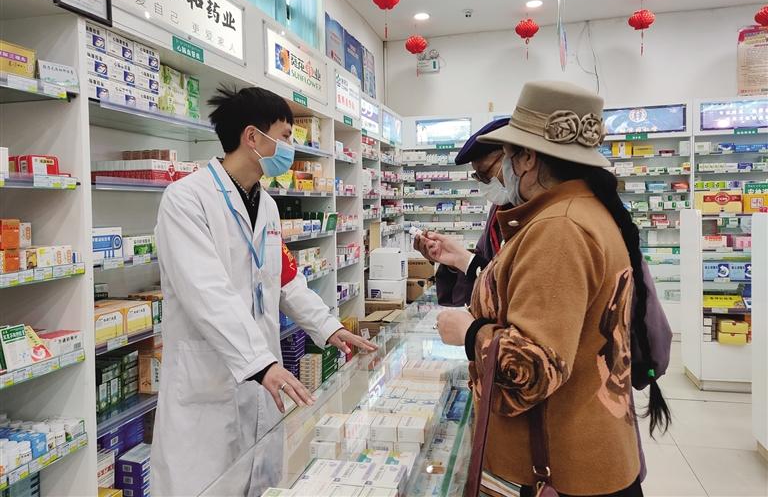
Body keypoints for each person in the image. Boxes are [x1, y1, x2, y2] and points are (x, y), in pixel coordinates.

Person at [429, 81, 671, 497]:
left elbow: (532, 371)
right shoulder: (584, 211)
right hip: (589, 455)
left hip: (565, 469)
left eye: (507, 155)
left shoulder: (559, 228)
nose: (502, 171)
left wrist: (468, 333)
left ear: (526, 158)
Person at [151, 86, 377, 496]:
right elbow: (207, 293)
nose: (291, 147)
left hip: (260, 375)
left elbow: (285, 280)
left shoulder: (267, 206)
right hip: (209, 383)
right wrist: (260, 363)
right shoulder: (186, 199)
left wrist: (329, 328)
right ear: (252, 138)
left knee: (260, 485)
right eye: (286, 136)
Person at [413, 118, 511, 307]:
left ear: (514, 159)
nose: (483, 183)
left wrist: (464, 259)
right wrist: (451, 260)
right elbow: (484, 259)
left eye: (485, 173)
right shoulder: (498, 208)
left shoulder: (542, 215)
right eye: (477, 177)